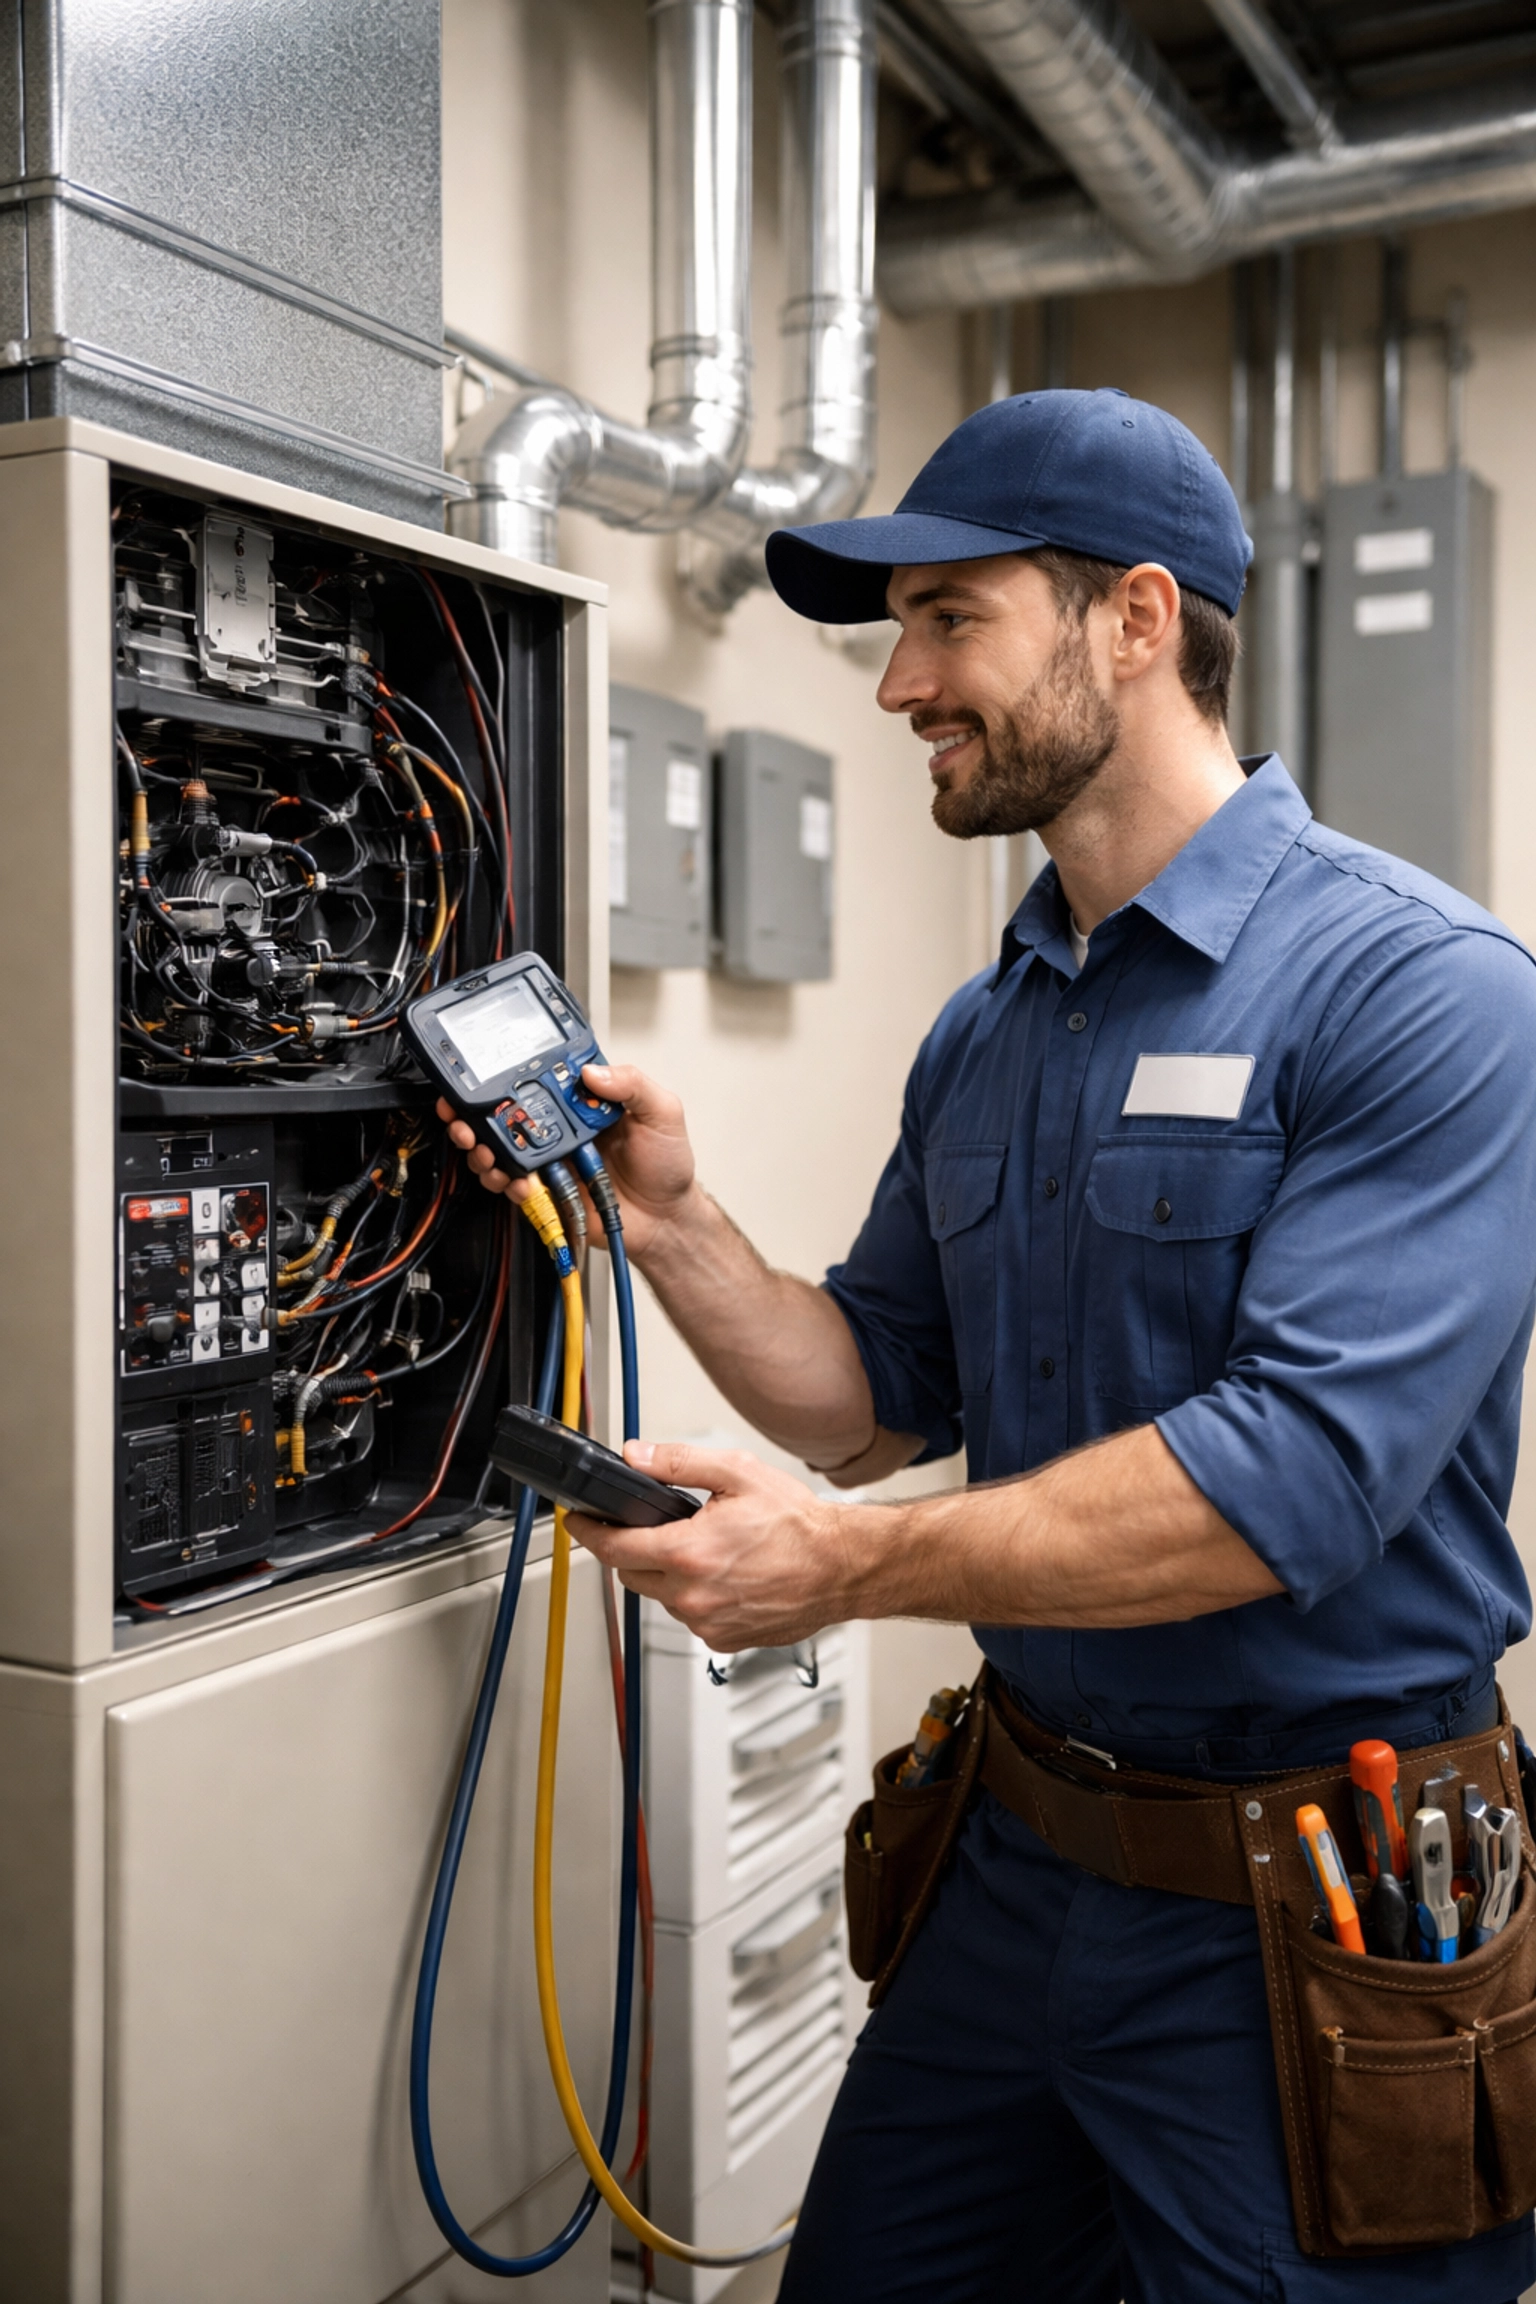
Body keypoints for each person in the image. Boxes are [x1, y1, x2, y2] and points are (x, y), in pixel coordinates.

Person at [440, 389, 1536, 2301]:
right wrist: (674, 1217)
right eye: (902, 633)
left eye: (951, 621)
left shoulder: (1423, 991)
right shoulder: (991, 1027)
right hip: (1017, 1863)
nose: (899, 688)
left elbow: (1292, 1487)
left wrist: (835, 1569)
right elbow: (868, 1399)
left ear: (1132, 619)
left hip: (1313, 1897)